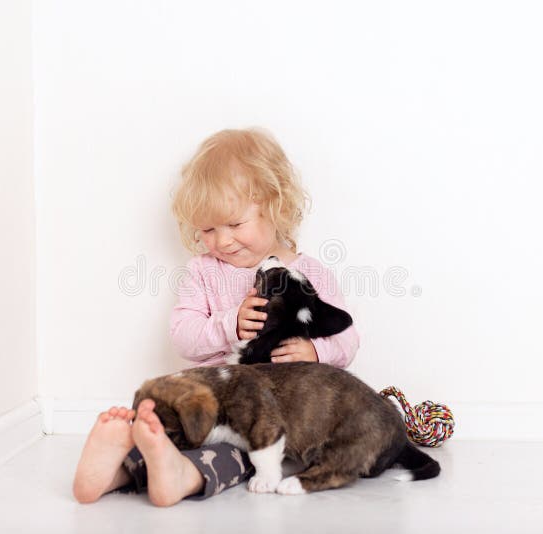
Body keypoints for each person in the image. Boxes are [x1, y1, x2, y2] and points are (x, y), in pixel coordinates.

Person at [72, 128, 360, 506]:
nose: (222, 241)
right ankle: (114, 468)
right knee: (168, 420)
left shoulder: (309, 274)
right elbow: (182, 336)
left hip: (266, 411)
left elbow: (348, 338)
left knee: (242, 451)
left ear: (275, 206)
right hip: (209, 396)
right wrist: (228, 325)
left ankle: (181, 476)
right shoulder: (203, 271)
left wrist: (315, 352)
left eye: (235, 225)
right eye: (207, 229)